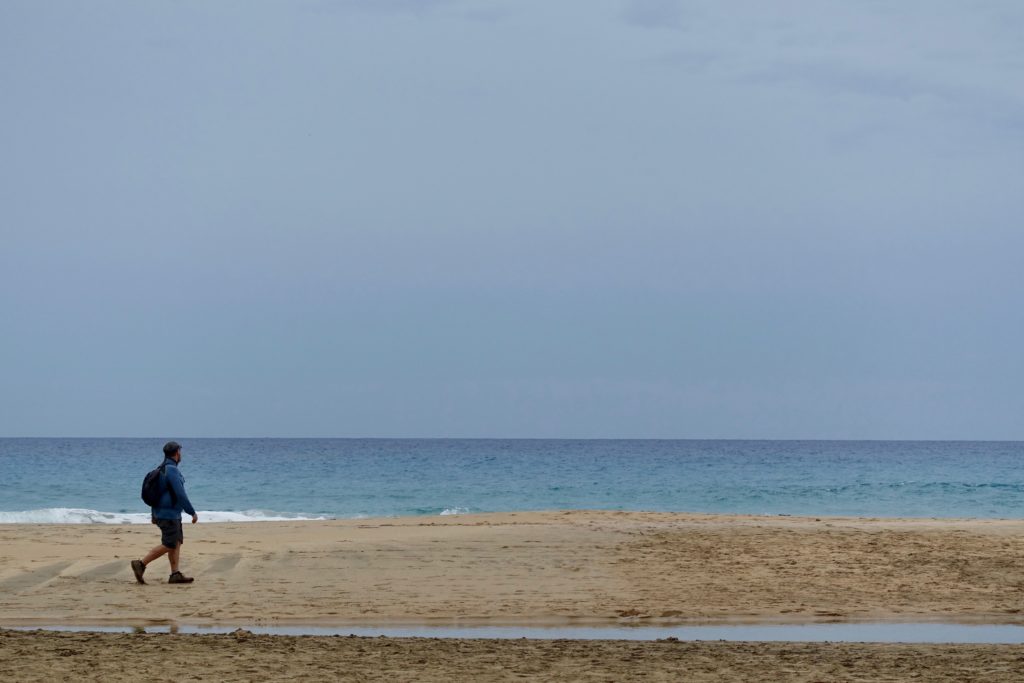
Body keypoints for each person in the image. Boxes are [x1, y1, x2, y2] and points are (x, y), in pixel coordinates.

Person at [131, 441, 199, 584]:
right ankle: (141, 564)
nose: (181, 454)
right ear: (177, 453)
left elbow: (157, 495)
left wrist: (153, 514)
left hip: (165, 514)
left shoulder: (160, 469)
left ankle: (175, 574)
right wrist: (192, 512)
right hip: (169, 516)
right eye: (180, 452)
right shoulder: (171, 470)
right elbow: (180, 494)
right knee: (169, 544)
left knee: (176, 542)